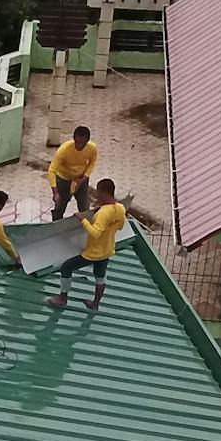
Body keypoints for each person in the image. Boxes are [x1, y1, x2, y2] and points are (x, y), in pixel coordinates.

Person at [47, 179, 130, 311]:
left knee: (66, 267)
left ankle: (63, 298)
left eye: (98, 192)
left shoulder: (103, 213)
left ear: (104, 192)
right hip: (107, 250)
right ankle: (95, 304)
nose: (96, 195)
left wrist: (83, 220)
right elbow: (120, 226)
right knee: (100, 276)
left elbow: (95, 233)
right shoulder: (120, 208)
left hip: (93, 252)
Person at [48, 126, 98, 219]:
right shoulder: (63, 150)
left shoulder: (92, 148)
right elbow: (51, 171)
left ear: (87, 141)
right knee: (60, 207)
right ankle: (56, 226)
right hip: (63, 179)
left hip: (81, 180)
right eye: (77, 143)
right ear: (74, 139)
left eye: (83, 143)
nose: (79, 146)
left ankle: (85, 227)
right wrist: (55, 192)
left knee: (84, 207)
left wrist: (84, 178)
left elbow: (92, 162)